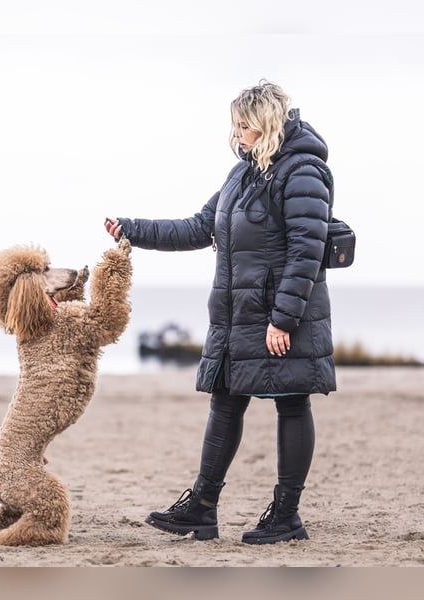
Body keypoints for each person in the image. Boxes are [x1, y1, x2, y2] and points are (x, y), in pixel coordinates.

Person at [103, 80, 336, 545]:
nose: (238, 133)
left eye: (244, 124)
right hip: (236, 316)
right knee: (225, 401)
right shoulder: (242, 174)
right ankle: (202, 508)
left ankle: (287, 515)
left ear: (267, 123)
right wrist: (132, 230)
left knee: (292, 403)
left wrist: (283, 319)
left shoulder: (303, 171)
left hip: (280, 318)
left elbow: (306, 251)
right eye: (235, 125)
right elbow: (197, 227)